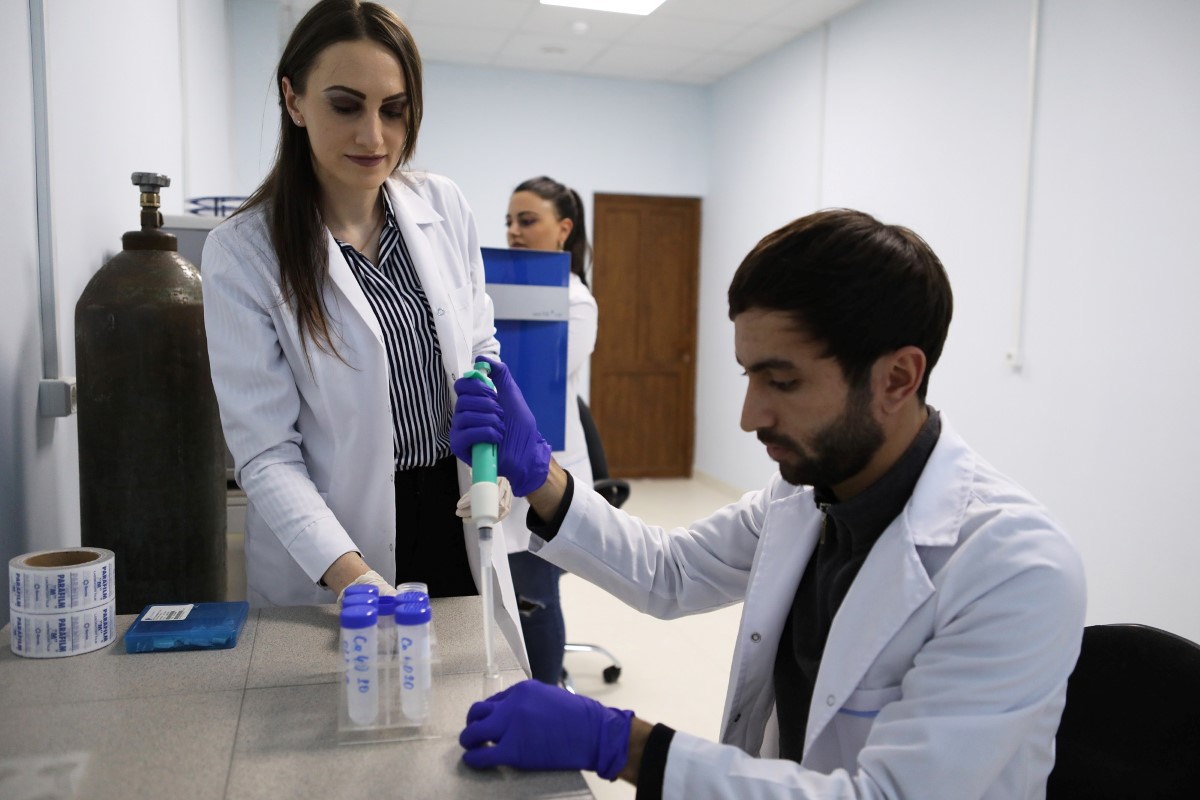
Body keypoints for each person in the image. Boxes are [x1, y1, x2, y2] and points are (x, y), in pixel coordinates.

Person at [449, 209, 1087, 797]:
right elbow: (672, 572)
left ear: (898, 377)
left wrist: (623, 744)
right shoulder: (808, 495)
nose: (750, 415)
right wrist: (542, 474)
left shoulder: (1013, 568)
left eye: (783, 381)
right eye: (749, 375)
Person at [201, 0, 526, 669]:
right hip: (333, 547)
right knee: (347, 715)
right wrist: (354, 578)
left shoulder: (443, 206)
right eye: (346, 105)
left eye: (394, 110)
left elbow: (479, 351)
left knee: (464, 702)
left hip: (455, 513)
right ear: (293, 100)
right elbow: (265, 455)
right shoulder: (243, 252)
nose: (374, 135)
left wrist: (490, 458)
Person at [498, 176, 598, 685]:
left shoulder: (576, 301)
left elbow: (531, 381)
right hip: (503, 462)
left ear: (563, 229)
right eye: (509, 222)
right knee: (509, 589)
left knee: (534, 594)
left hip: (548, 468)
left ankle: (547, 696)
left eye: (527, 220)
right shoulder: (497, 293)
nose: (514, 231)